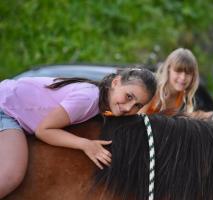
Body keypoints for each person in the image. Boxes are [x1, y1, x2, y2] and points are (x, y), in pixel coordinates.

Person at [0, 68, 157, 198]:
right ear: (116, 82)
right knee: (11, 175)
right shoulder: (88, 98)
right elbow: (44, 130)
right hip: (5, 108)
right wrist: (86, 144)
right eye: (128, 96)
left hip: (12, 110)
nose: (129, 108)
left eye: (137, 105)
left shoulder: (100, 104)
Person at [139, 48, 199, 115]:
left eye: (188, 73)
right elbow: (137, 120)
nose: (183, 77)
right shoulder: (151, 88)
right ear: (168, 69)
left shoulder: (182, 97)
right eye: (178, 71)